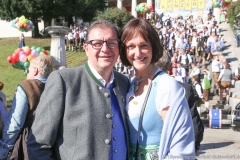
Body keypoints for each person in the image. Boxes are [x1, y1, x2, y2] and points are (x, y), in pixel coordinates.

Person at [27, 20, 130, 160]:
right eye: (97, 43)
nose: (105, 49)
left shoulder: (124, 83)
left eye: (112, 42)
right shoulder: (63, 81)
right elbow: (38, 144)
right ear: (86, 48)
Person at [120, 18, 195, 159]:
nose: (137, 53)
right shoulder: (129, 84)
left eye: (143, 45)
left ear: (153, 47)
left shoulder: (166, 85)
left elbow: (181, 143)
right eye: (131, 46)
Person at [0, 55, 53, 159]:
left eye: (28, 70)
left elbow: (15, 123)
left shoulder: (27, 86)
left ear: (35, 70)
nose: (27, 74)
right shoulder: (56, 86)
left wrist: (4, 148)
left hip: (31, 145)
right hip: (53, 145)